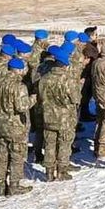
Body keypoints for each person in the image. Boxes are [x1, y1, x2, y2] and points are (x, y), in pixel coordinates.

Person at [0, 58, 36, 196]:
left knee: (2, 155)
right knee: (16, 156)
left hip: (0, 125)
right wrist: (33, 99)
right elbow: (22, 107)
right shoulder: (19, 86)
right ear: (19, 70)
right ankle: (14, 185)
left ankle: (1, 186)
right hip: (15, 126)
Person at [38, 47, 80, 181]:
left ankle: (49, 172)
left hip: (48, 116)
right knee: (64, 143)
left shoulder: (44, 78)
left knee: (49, 144)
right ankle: (62, 170)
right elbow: (76, 99)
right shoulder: (68, 80)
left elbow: (40, 97)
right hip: (65, 118)